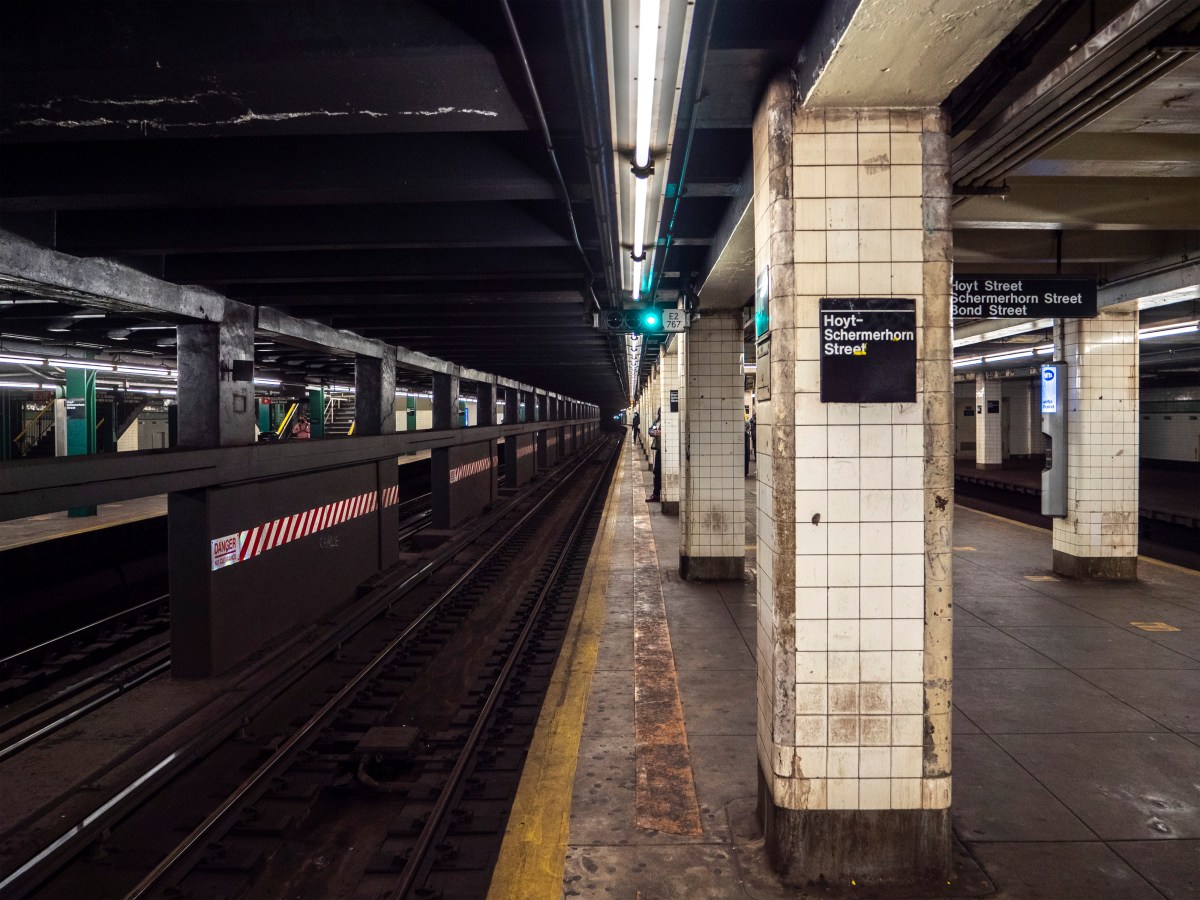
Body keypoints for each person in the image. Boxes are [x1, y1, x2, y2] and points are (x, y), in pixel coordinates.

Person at [647, 408, 662, 502]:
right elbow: (650, 430)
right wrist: (654, 432)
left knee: (659, 472)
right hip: (659, 450)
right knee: (656, 471)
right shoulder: (657, 421)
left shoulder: (670, 420)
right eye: (660, 412)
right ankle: (656, 494)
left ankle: (657, 494)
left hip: (668, 450)